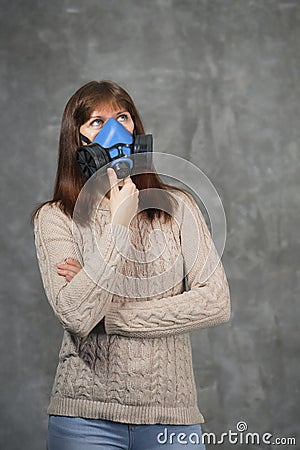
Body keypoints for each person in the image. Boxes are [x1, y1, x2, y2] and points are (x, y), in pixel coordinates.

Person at [31, 80, 231, 450]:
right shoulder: (56, 219)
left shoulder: (179, 207)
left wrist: (110, 315)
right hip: (84, 418)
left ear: (136, 129)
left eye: (122, 117)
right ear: (77, 141)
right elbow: (76, 314)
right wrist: (120, 222)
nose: (113, 131)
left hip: (171, 418)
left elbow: (216, 302)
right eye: (96, 121)